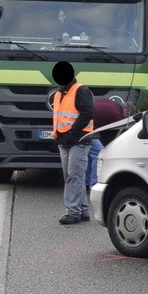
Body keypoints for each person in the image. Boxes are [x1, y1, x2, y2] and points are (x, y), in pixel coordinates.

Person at [51, 61, 94, 224]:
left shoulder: (81, 90)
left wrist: (71, 133)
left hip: (79, 140)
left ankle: (72, 212)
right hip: (65, 140)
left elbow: (87, 113)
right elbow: (59, 117)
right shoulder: (58, 93)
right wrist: (58, 136)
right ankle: (82, 210)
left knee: (73, 176)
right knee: (73, 176)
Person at [86, 97, 129, 192]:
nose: (125, 118)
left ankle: (86, 182)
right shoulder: (118, 116)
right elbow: (119, 137)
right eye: (126, 117)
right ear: (126, 112)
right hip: (87, 128)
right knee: (98, 152)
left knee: (89, 156)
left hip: (84, 125)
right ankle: (93, 184)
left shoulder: (113, 104)